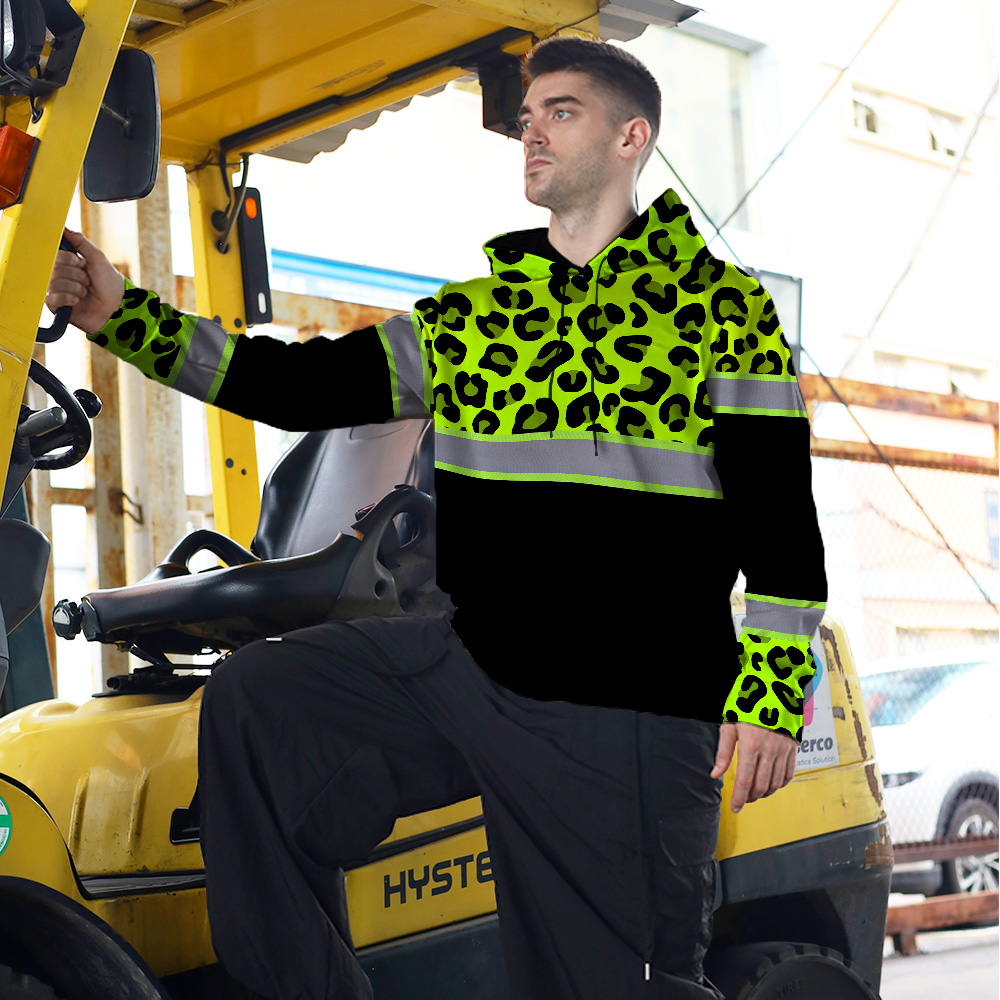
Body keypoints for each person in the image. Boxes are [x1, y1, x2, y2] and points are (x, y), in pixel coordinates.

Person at [46, 34, 827, 1000]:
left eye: (562, 113)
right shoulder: (472, 321)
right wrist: (121, 315)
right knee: (260, 702)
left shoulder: (720, 311)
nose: (532, 133)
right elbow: (291, 385)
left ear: (633, 138)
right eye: (529, 116)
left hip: (628, 699)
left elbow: (780, 523)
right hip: (474, 665)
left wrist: (769, 696)